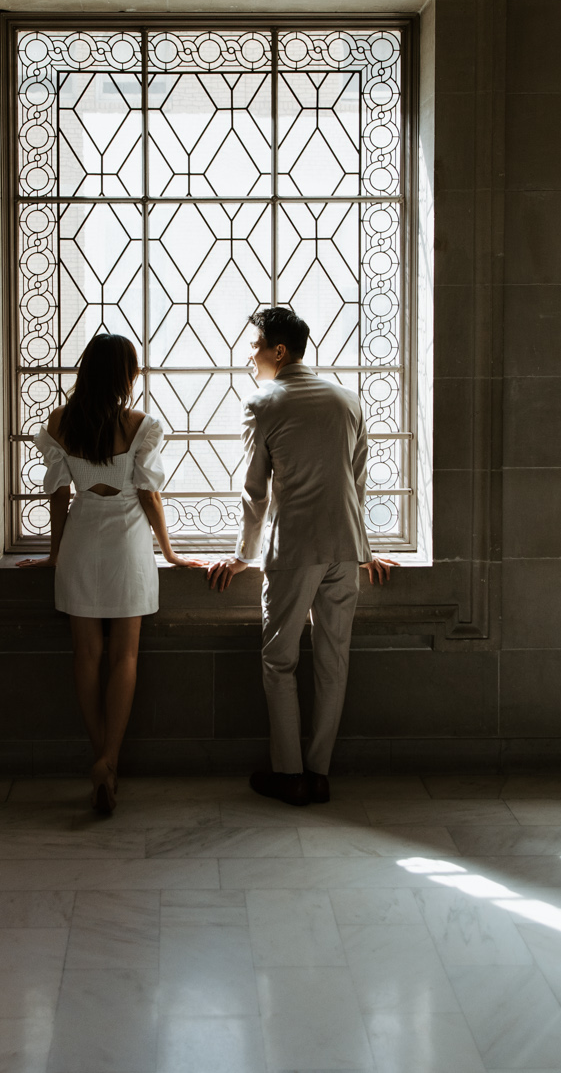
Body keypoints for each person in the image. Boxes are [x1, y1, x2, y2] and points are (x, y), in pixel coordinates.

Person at [207, 306, 395, 808]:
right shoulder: (348, 400)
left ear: (278, 351)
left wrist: (243, 554)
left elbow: (254, 492)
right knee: (334, 661)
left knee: (279, 660)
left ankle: (289, 774)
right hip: (345, 548)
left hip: (295, 549)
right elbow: (356, 483)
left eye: (254, 346)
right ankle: (320, 772)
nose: (249, 356)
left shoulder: (264, 402)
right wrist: (366, 548)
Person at [18, 332, 201, 814]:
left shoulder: (59, 423)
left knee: (85, 656)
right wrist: (172, 552)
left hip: (82, 539)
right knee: (124, 657)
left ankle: (99, 758)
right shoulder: (140, 426)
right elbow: (148, 494)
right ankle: (109, 762)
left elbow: (57, 495)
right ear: (127, 376)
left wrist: (56, 554)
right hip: (127, 543)